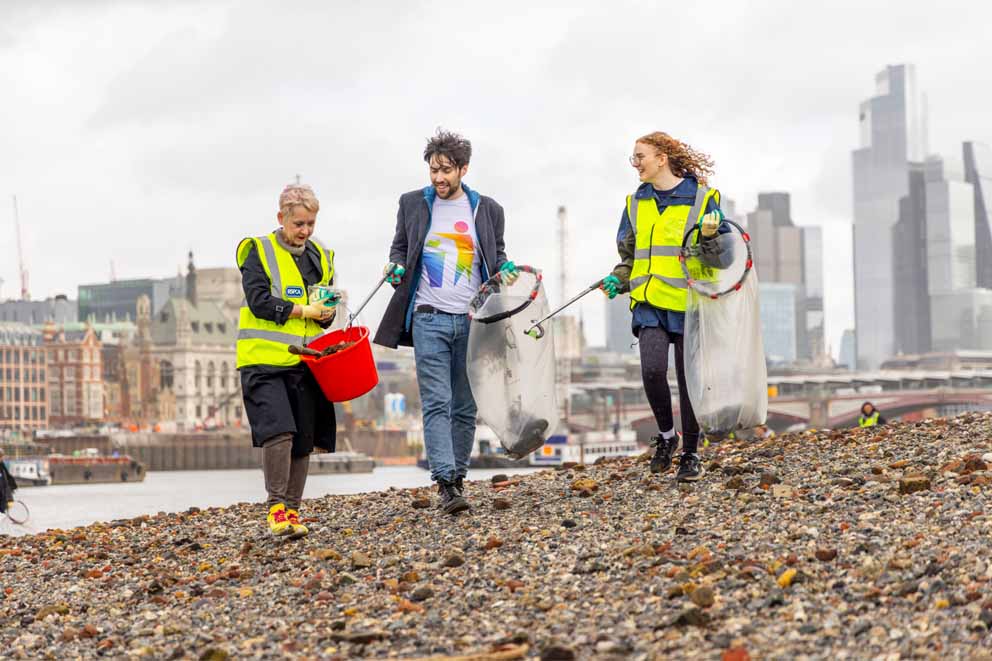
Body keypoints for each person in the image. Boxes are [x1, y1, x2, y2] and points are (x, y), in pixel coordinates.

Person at [374, 129, 518, 515]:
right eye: (433, 170)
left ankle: (458, 475)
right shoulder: (412, 204)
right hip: (427, 318)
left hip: (473, 322)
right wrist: (396, 265)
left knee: (465, 407)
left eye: (446, 170)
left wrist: (503, 269)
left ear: (463, 169)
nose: (438, 178)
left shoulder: (487, 210)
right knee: (437, 402)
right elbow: (400, 247)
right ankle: (447, 482)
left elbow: (497, 254)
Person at [600, 131, 733, 482]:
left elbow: (724, 258)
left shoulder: (703, 200)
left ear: (662, 158)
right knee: (652, 371)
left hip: (690, 305)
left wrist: (707, 237)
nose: (635, 163)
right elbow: (630, 257)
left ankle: (690, 453)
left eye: (640, 156)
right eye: (633, 157)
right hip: (648, 304)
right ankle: (666, 436)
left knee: (689, 381)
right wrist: (618, 278)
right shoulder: (634, 204)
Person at [236, 183, 338, 538]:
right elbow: (259, 301)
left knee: (303, 438)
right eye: (299, 224)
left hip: (307, 362)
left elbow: (324, 311)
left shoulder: (321, 256)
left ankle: (293, 512)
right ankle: (276, 508)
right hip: (263, 362)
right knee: (279, 431)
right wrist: (302, 309)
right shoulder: (258, 251)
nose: (305, 231)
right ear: (281, 218)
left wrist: (326, 314)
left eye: (311, 224)